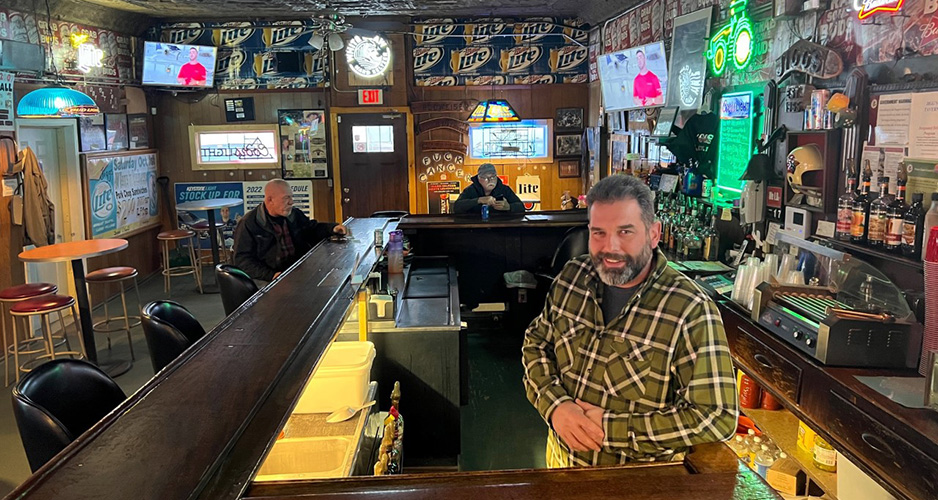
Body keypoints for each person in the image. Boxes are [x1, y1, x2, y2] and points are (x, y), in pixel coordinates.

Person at [522, 175, 737, 468]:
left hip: (636, 481)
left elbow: (716, 416)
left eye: (625, 232)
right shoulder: (572, 277)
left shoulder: (690, 309)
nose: (611, 247)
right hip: (559, 461)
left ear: (653, 233)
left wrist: (612, 429)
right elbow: (536, 344)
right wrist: (556, 406)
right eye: (599, 233)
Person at [233, 179, 346, 284]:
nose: (291, 202)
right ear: (270, 200)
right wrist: (271, 275)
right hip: (268, 279)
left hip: (298, 271)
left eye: (291, 197)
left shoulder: (294, 214)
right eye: (286, 198)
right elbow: (242, 261)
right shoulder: (249, 223)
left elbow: (311, 229)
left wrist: (332, 228)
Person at [451, 163, 524, 214]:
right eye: (486, 178)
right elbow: (457, 207)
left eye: (493, 177)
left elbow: (521, 207)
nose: (490, 180)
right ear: (479, 179)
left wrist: (509, 207)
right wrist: (478, 200)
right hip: (475, 228)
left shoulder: (504, 189)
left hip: (500, 228)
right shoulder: (470, 190)